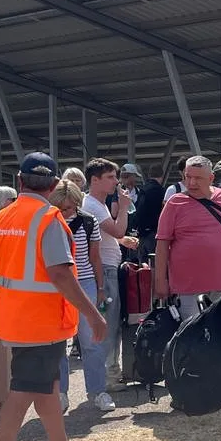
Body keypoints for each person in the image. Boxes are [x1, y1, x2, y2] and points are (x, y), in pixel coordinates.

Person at [0, 152, 109, 441]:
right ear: (53, 186)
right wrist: (93, 314)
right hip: (42, 321)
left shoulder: (0, 218)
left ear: (20, 182)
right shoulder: (49, 219)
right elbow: (61, 274)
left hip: (15, 318)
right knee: (22, 393)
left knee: (47, 387)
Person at [153, 155, 221, 318]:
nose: (191, 183)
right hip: (187, 287)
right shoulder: (174, 203)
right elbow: (162, 244)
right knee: (191, 336)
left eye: (197, 178)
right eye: (188, 177)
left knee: (219, 335)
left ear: (211, 178)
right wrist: (160, 281)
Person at [49, 180, 111, 412]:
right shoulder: (48, 221)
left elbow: (95, 257)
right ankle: (61, 393)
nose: (65, 212)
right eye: (60, 207)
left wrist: (101, 287)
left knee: (92, 340)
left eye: (69, 207)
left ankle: (98, 390)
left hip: (85, 281)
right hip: (55, 284)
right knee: (58, 342)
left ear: (76, 203)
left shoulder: (88, 221)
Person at [81, 158, 130, 384]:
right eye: (110, 177)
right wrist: (125, 208)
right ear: (94, 180)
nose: (115, 182)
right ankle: (108, 375)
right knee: (108, 323)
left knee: (110, 322)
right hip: (105, 269)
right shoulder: (91, 205)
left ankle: (109, 373)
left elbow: (109, 236)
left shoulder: (96, 205)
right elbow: (118, 230)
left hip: (108, 265)